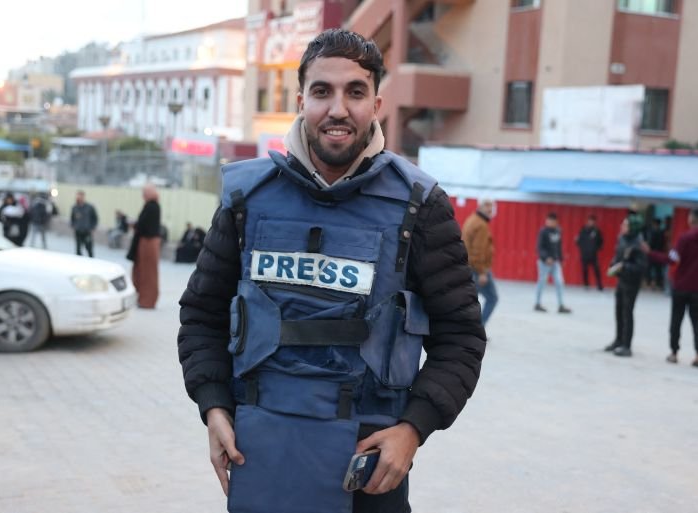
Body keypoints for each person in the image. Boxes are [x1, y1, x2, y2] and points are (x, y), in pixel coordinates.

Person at [177, 29, 486, 513]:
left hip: (366, 474)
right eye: (322, 91)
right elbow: (201, 314)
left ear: (376, 103)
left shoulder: (419, 206)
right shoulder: (246, 200)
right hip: (262, 454)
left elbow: (463, 337)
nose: (337, 109)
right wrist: (213, 406)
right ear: (301, 100)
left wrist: (412, 429)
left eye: (355, 92)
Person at [645, 209, 698, 368]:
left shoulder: (684, 238)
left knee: (676, 320)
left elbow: (671, 260)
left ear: (691, 220)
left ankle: (674, 353)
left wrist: (650, 253)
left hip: (681, 286)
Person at [604, 214, 647, 357]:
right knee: (618, 311)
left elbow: (641, 267)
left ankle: (627, 345)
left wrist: (624, 266)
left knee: (627, 313)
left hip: (632, 283)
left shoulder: (639, 244)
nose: (622, 227)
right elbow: (618, 255)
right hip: (621, 281)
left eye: (625, 225)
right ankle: (618, 340)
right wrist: (613, 264)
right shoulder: (622, 239)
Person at [461, 198, 498, 325]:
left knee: (469, 301)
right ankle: (477, 330)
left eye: (491, 206)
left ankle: (469, 331)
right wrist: (482, 272)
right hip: (478, 268)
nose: (490, 209)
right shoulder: (481, 225)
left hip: (469, 266)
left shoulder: (472, 219)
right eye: (487, 206)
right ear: (480, 207)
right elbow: (477, 251)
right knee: (492, 298)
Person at [127, 184, 162, 309]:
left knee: (148, 273)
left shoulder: (152, 206)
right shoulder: (152, 205)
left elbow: (145, 225)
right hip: (147, 242)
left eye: (144, 193)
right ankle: (144, 299)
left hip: (148, 243)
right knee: (142, 271)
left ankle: (147, 300)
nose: (143, 195)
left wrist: (135, 225)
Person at [534, 212, 571, 313]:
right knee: (541, 282)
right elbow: (539, 247)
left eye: (551, 221)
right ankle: (537, 303)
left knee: (559, 282)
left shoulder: (558, 231)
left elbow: (558, 247)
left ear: (556, 222)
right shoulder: (543, 232)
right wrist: (546, 258)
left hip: (555, 262)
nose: (549, 222)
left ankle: (561, 305)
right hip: (544, 263)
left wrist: (561, 259)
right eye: (548, 220)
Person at [575, 214, 604, 291]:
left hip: (593, 254)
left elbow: (601, 241)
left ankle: (599, 285)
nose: (591, 223)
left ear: (594, 222)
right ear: (587, 221)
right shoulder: (583, 230)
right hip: (584, 254)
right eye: (590, 221)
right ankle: (586, 284)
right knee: (585, 270)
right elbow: (579, 240)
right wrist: (581, 247)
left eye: (592, 221)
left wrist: (596, 248)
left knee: (596, 269)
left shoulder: (597, 231)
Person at [70, 190, 98, 257]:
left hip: (87, 231)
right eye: (78, 196)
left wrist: (92, 227)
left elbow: (95, 218)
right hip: (78, 231)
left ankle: (91, 262)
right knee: (78, 250)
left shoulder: (89, 207)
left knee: (89, 249)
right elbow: (72, 218)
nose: (79, 198)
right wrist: (74, 226)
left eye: (81, 196)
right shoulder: (74, 207)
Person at [644, 217, 666, 290]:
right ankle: (658, 283)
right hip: (659, 253)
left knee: (649, 268)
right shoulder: (662, 232)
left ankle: (649, 283)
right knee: (658, 269)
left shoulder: (652, 232)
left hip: (652, 252)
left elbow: (650, 242)